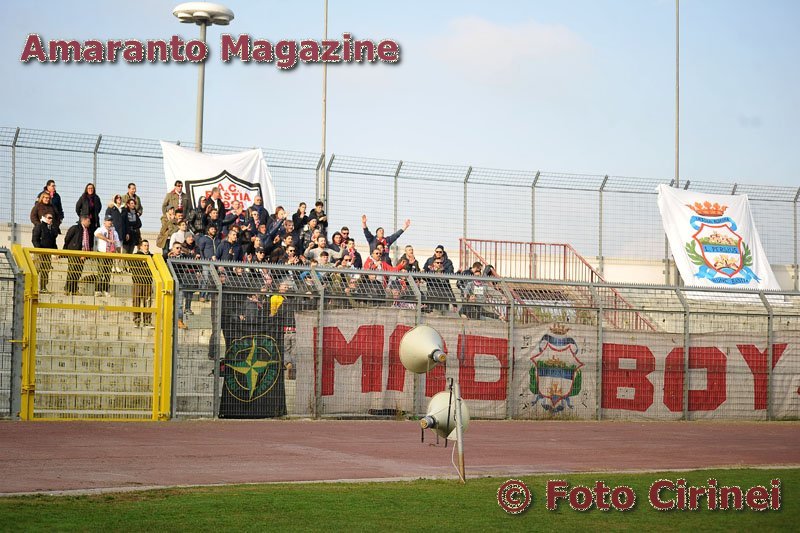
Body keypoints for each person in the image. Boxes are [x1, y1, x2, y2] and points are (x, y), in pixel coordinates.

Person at [63, 215, 93, 295]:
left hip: (83, 254)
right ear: (83, 220)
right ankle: (67, 289)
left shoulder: (87, 230)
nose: (90, 223)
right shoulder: (75, 228)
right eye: (88, 221)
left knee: (78, 272)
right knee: (72, 271)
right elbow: (67, 238)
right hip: (74, 253)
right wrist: (69, 248)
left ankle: (74, 289)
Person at [94, 215, 121, 297]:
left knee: (107, 273)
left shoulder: (114, 232)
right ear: (104, 222)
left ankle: (105, 289)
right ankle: (98, 290)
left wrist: (119, 255)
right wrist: (107, 239)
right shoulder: (101, 229)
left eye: (111, 220)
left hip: (110, 254)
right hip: (102, 253)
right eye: (108, 220)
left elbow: (117, 244)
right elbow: (97, 234)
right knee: (100, 272)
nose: (110, 222)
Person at [31, 213, 58, 292]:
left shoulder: (52, 229)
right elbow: (34, 239)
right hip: (39, 253)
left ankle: (43, 287)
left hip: (47, 253)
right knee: (37, 270)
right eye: (49, 218)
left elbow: (53, 242)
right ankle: (33, 287)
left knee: (45, 271)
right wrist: (39, 250)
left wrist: (56, 252)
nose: (51, 219)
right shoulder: (39, 226)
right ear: (45, 218)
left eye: (52, 218)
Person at [131, 240, 154, 328]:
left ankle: (147, 322)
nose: (146, 247)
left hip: (148, 282)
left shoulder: (152, 256)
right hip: (137, 282)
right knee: (136, 301)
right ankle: (136, 321)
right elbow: (134, 268)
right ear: (140, 246)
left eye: (147, 245)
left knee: (147, 302)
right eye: (144, 245)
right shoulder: (136, 255)